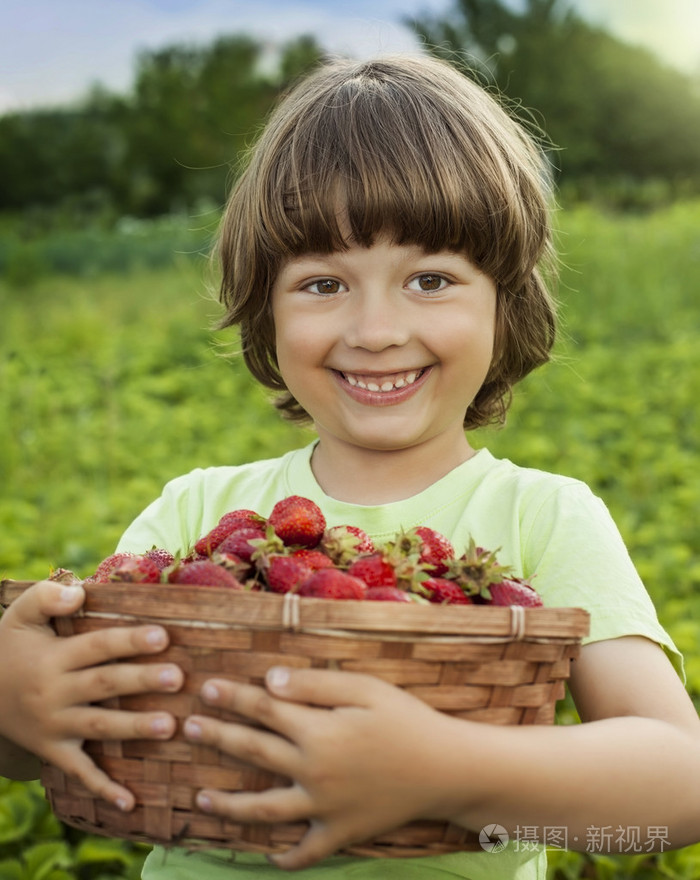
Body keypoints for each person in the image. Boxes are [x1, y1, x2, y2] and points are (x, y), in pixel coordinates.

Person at [1, 54, 698, 880]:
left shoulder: (541, 519)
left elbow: (679, 785)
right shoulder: (197, 513)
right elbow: (78, 728)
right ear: (266, 306)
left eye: (431, 279)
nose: (374, 329)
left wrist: (446, 770)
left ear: (505, 305)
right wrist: (17, 702)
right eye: (323, 283)